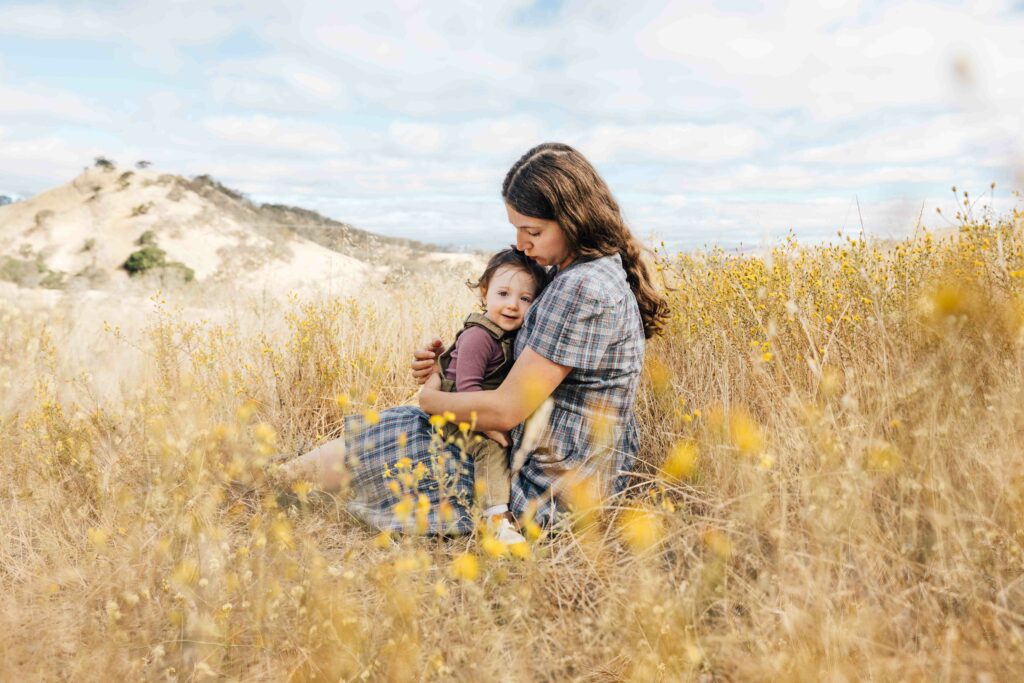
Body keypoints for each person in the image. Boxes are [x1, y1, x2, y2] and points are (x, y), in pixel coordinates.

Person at [281, 142, 669, 535]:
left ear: (573, 218)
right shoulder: (585, 271)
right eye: (517, 229)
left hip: (547, 484)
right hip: (571, 465)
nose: (521, 244)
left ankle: (270, 484)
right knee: (402, 427)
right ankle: (277, 480)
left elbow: (505, 411)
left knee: (402, 436)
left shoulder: (581, 287)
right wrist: (447, 366)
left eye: (532, 230)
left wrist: (433, 397)